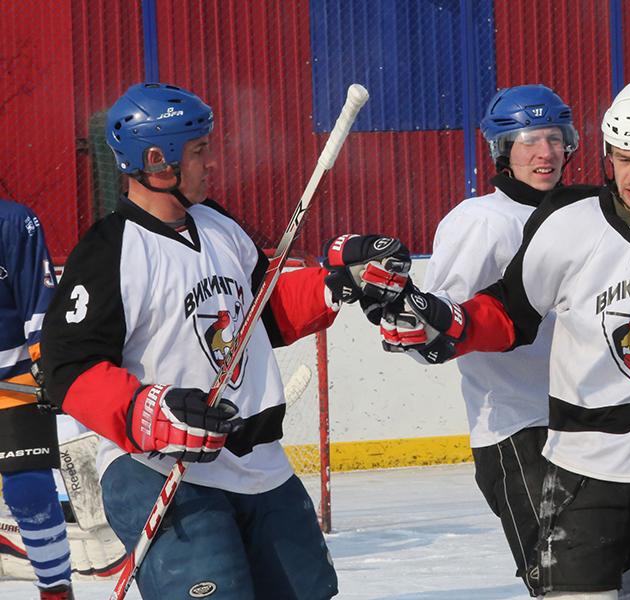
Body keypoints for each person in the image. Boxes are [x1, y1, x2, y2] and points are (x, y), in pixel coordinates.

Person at [377, 83, 630, 599]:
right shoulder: (561, 221)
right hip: (582, 454)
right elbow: (507, 314)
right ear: (606, 154)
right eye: (624, 159)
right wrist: (448, 324)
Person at [40, 82, 410, 600]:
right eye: (198, 151)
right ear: (157, 160)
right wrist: (150, 413)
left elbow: (262, 312)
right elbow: (67, 366)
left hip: (258, 466)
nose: (210, 162)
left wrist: (335, 283)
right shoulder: (109, 250)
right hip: (161, 470)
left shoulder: (218, 224)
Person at [410, 84, 630, 598]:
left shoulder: (588, 211)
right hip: (520, 428)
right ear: (503, 151)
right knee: (564, 579)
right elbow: (439, 323)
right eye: (529, 141)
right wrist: (410, 321)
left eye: (554, 139)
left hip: (594, 419)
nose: (545, 153)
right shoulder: (482, 221)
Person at [0, 199, 73, 599]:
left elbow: (39, 299)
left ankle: (55, 590)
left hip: (11, 379)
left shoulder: (13, 221)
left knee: (28, 490)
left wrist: (46, 362)